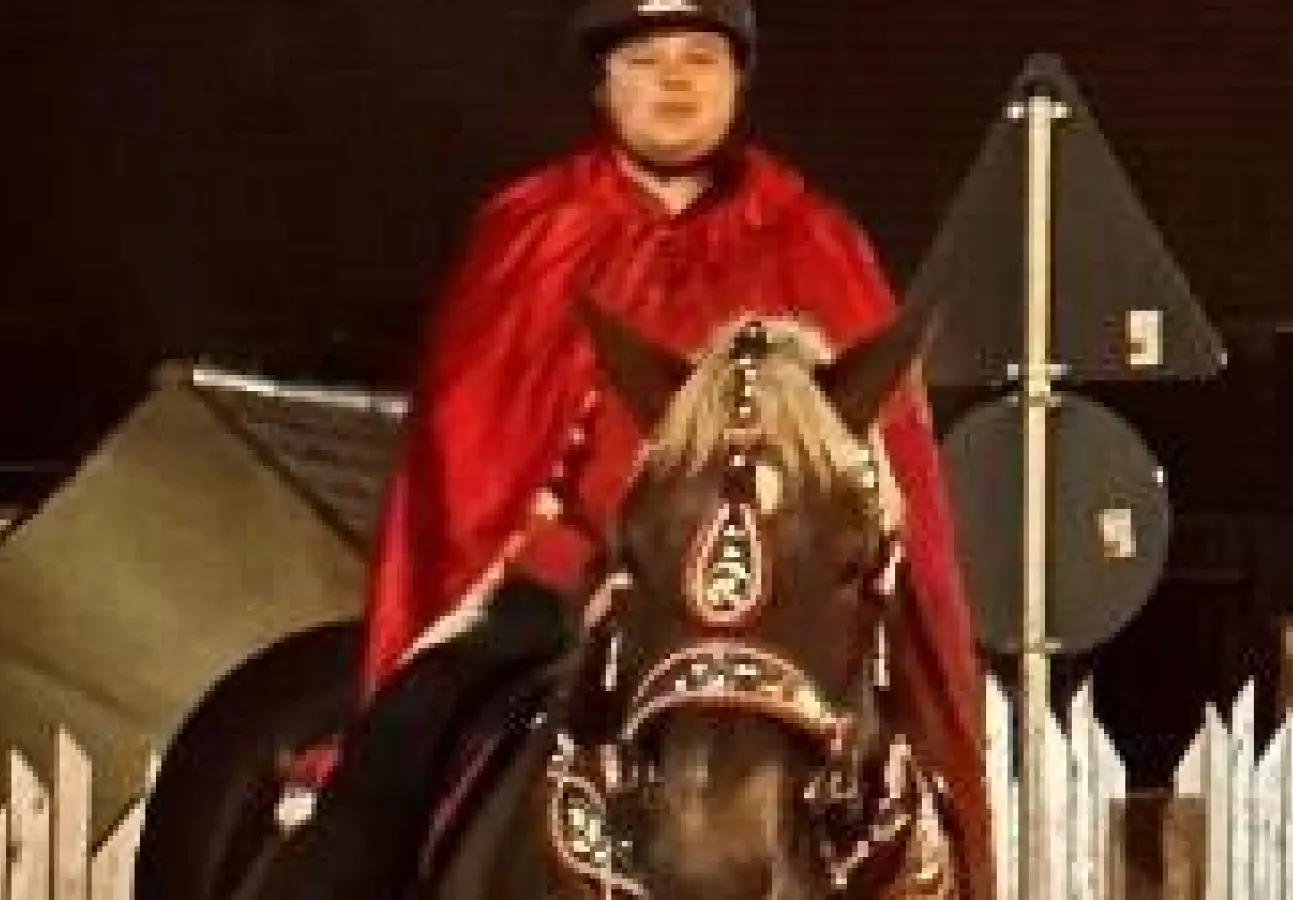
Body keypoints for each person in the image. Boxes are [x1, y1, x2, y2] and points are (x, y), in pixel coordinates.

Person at [291, 0, 991, 894]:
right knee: (399, 744)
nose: (673, 78)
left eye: (700, 55)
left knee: (911, 791)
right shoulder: (532, 231)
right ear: (600, 83)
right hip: (559, 588)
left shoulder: (817, 243)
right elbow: (467, 453)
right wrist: (594, 570)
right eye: (642, 58)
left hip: (782, 607)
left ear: (739, 79)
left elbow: (882, 464)